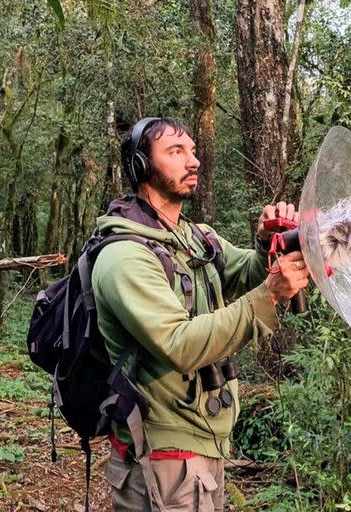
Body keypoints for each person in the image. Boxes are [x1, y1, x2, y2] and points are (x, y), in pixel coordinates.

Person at [91, 116, 308, 511]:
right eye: (176, 152)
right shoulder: (123, 256)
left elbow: (245, 272)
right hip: (163, 451)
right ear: (141, 166)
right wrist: (272, 293)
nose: (193, 161)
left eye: (192, 151)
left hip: (202, 440)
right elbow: (180, 344)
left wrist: (266, 245)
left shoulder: (195, 237)